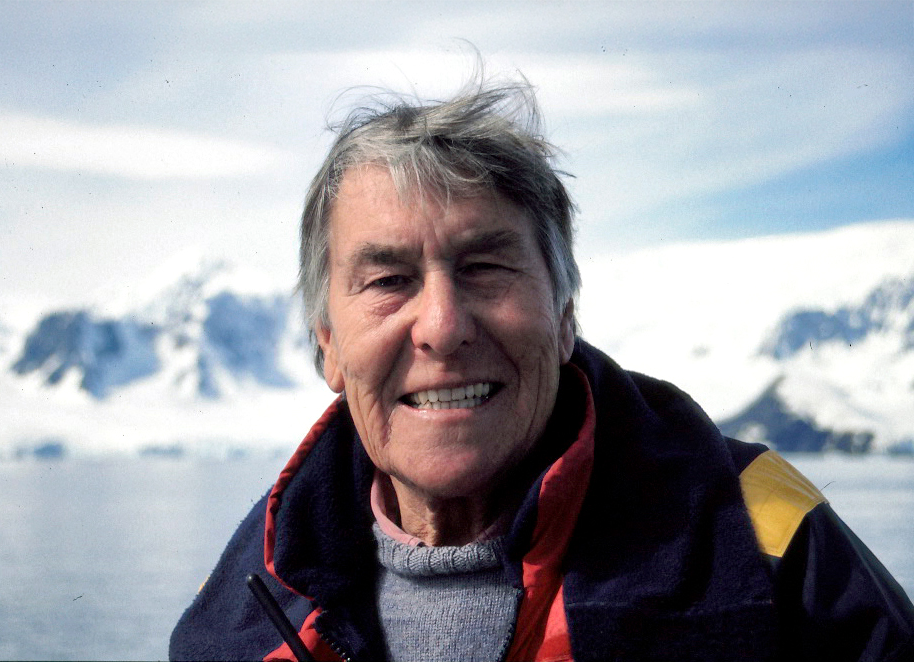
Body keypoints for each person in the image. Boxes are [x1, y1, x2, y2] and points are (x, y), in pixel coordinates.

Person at [169, 76, 914, 662]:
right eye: (389, 280)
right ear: (326, 341)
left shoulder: (765, 540)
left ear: (564, 316)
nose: (442, 325)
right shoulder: (242, 606)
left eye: (486, 268)